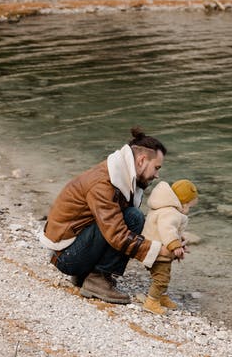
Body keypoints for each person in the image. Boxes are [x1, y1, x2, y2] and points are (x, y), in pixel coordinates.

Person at [39, 126, 173, 304]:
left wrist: (170, 241)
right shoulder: (104, 183)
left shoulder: (118, 176)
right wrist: (158, 251)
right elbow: (116, 234)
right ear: (141, 160)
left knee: (131, 217)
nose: (157, 175)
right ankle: (97, 279)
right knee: (134, 217)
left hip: (71, 248)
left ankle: (88, 276)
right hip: (67, 258)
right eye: (156, 167)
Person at [141, 178, 199, 315]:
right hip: (157, 252)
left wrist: (180, 240)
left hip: (155, 250)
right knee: (161, 278)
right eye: (189, 206)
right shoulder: (170, 212)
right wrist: (174, 244)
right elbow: (167, 229)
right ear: (183, 203)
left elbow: (172, 230)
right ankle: (151, 302)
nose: (188, 210)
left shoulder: (164, 208)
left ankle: (162, 296)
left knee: (164, 275)